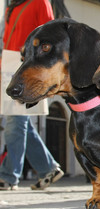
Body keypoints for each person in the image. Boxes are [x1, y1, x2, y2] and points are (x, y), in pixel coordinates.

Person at [0, 0, 63, 190]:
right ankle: (48, 169)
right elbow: (7, 41)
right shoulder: (13, 7)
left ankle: (9, 176)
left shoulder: (40, 1)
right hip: (9, 68)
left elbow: (51, 37)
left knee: (15, 123)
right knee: (21, 123)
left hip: (28, 67)